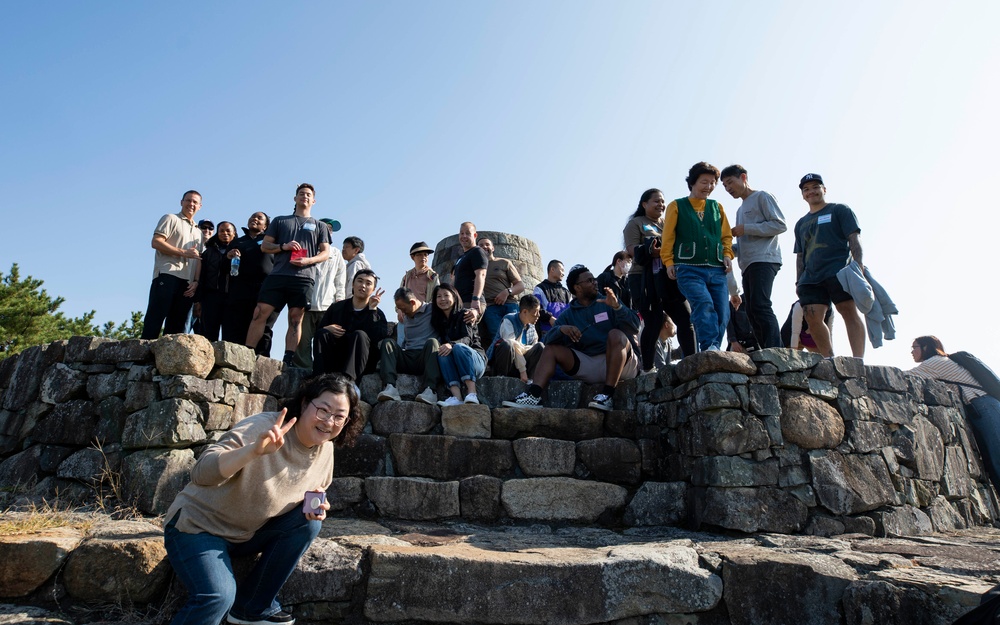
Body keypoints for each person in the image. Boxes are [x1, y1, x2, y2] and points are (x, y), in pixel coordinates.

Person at [162, 374, 363, 625]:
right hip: (197, 527)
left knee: (309, 523)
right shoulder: (264, 428)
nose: (329, 422)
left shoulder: (326, 450)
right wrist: (253, 451)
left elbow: (315, 493)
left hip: (246, 533)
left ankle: (252, 607)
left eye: (339, 416)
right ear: (304, 404)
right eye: (323, 410)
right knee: (218, 596)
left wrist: (318, 508)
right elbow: (201, 473)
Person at [504, 265, 640, 412]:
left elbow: (636, 327)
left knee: (615, 335)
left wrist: (617, 306)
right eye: (589, 280)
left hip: (621, 363)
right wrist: (561, 330)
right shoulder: (569, 314)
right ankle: (534, 395)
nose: (595, 282)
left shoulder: (608, 301)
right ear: (577, 288)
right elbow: (546, 341)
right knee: (551, 349)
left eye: (594, 279)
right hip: (590, 365)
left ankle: (607, 395)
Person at [246, 183, 331, 365]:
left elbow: (326, 253)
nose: (304, 197)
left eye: (308, 195)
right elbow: (265, 246)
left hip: (303, 277)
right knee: (260, 312)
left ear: (314, 201)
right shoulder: (280, 220)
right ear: (295, 198)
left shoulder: (320, 226)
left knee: (295, 319)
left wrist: (308, 261)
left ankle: (288, 360)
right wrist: (283, 247)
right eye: (301, 194)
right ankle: (247, 354)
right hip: (278, 274)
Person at [905, 336, 1000, 488]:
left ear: (925, 347)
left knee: (997, 456)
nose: (911, 352)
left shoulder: (934, 362)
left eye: (914, 347)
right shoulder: (943, 361)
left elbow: (903, 376)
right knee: (993, 460)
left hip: (983, 406)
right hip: (985, 406)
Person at [661, 163, 735, 353]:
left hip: (717, 268)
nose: (708, 187)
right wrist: (668, 261)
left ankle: (713, 347)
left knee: (723, 312)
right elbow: (668, 236)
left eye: (712, 183)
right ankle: (709, 345)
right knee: (703, 304)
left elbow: (726, 235)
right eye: (704, 182)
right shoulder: (676, 206)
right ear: (693, 182)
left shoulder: (717, 207)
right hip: (688, 267)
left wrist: (727, 254)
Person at [793, 173, 866, 358]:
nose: (811, 191)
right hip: (810, 278)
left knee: (848, 312)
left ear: (824, 189)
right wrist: (798, 281)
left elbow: (854, 238)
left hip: (839, 271)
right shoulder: (800, 223)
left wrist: (859, 264)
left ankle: (858, 360)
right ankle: (829, 359)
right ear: (802, 195)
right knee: (812, 318)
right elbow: (800, 255)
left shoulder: (839, 210)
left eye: (816, 187)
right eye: (806, 189)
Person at [623, 189, 696, 369]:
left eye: (663, 201)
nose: (661, 205)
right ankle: (647, 368)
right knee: (654, 322)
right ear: (644, 204)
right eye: (656, 201)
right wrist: (650, 251)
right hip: (642, 278)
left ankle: (692, 362)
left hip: (669, 276)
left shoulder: (669, 223)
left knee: (686, 319)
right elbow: (632, 249)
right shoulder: (636, 223)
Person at [721, 164, 787, 349]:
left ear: (743, 177)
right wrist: (728, 250)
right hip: (747, 264)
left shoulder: (762, 196)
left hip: (765, 259)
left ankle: (776, 351)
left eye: (730, 182)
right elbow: (744, 242)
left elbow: (779, 225)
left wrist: (746, 228)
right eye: (725, 186)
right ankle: (766, 350)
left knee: (760, 305)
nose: (728, 188)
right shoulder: (739, 210)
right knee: (750, 310)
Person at [141, 190, 203, 339]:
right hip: (167, 274)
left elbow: (198, 258)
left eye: (195, 202)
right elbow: (156, 242)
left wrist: (196, 281)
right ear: (181, 202)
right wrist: (182, 252)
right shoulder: (170, 218)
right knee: (155, 319)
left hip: (187, 283)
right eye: (188, 200)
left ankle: (167, 360)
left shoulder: (198, 232)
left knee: (177, 327)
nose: (191, 204)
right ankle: (142, 359)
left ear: (200, 206)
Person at [312, 269, 387, 381]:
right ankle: (319, 380)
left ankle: (349, 382)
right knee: (322, 333)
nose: (363, 285)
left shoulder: (377, 313)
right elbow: (318, 333)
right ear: (352, 284)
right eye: (360, 281)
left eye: (368, 283)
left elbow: (377, 338)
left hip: (361, 362)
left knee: (360, 335)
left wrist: (372, 310)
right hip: (336, 356)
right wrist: (326, 328)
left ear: (373, 290)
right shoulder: (336, 308)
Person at [293, 218, 347, 369]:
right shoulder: (303, 249)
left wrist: (340, 301)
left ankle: (323, 371)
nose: (328, 231)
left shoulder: (336, 254)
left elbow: (340, 280)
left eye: (330, 230)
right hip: (305, 304)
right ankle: (303, 370)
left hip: (327, 305)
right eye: (325, 228)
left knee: (325, 342)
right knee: (302, 341)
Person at [376, 287, 442, 405]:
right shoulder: (405, 316)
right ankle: (390, 386)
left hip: (425, 357)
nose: (401, 312)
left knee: (433, 342)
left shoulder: (432, 309)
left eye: (403, 308)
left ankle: (430, 390)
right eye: (398, 309)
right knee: (388, 343)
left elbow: (453, 309)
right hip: (408, 355)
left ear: (412, 302)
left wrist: (474, 311)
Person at [223, 212, 276, 355]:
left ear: (265, 226)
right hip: (239, 289)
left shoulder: (271, 241)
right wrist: (228, 257)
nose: (255, 219)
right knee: (235, 324)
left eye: (259, 218)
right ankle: (232, 359)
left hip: (263, 289)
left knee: (263, 325)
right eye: (253, 216)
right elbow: (223, 268)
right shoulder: (237, 242)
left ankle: (261, 359)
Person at [431, 283, 487, 406]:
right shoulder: (438, 321)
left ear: (454, 297)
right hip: (456, 364)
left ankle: (472, 393)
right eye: (439, 296)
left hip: (475, 362)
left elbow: (467, 339)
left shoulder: (465, 314)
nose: (443, 299)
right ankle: (456, 397)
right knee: (442, 353)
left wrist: (451, 344)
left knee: (458, 347)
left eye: (446, 295)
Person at [477, 237, 525, 344]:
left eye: (487, 244)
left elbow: (520, 285)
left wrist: (507, 292)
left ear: (493, 248)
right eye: (481, 245)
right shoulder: (476, 268)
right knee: (498, 339)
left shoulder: (504, 262)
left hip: (510, 305)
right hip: (491, 308)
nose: (484, 247)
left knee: (517, 336)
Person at [486, 294, 544, 382]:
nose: (538, 315)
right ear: (524, 312)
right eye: (535, 312)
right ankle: (502, 379)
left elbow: (534, 347)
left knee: (540, 347)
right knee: (508, 344)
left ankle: (531, 381)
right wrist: (523, 370)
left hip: (521, 367)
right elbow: (512, 345)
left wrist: (520, 347)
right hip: (508, 365)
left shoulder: (532, 326)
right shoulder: (509, 320)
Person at [195, 221, 236, 341]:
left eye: (228, 230)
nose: (225, 233)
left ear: (234, 233)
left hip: (232, 297)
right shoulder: (209, 252)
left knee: (230, 335)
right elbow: (202, 277)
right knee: (208, 334)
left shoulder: (240, 250)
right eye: (221, 231)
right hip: (211, 297)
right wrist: (198, 300)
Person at [450, 222, 489, 317]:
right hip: (460, 302)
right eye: (461, 233)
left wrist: (476, 299)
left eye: (468, 233)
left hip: (471, 302)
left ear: (475, 235)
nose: (464, 236)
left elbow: (481, 275)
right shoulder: (461, 258)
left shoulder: (477, 252)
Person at [533, 260, 571, 334]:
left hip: (565, 333)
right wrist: (549, 318)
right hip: (546, 332)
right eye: (562, 270)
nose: (563, 273)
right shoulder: (539, 288)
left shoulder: (567, 292)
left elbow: (571, 312)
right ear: (552, 269)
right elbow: (536, 308)